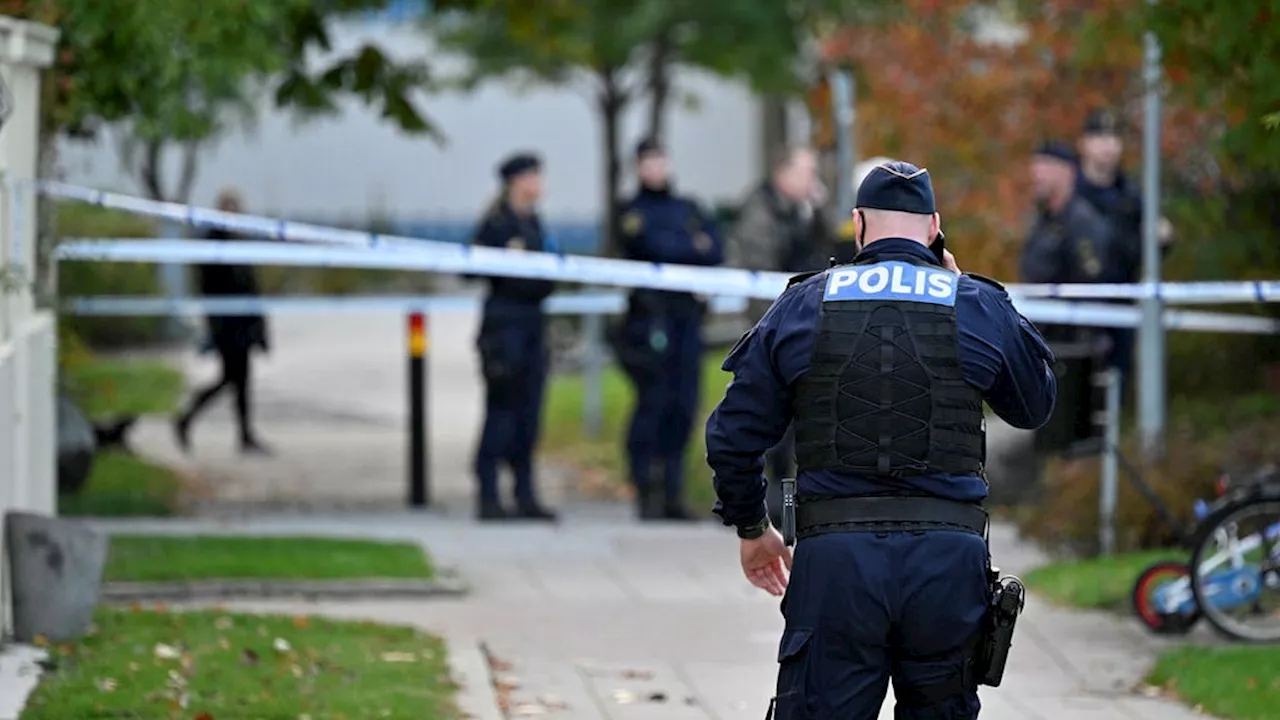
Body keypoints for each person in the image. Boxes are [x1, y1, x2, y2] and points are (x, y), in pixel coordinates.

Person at [705, 161, 1058, 718]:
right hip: (947, 562)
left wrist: (754, 527)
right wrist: (975, 294)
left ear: (859, 226)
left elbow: (732, 435)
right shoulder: (973, 302)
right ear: (935, 225)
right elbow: (1036, 406)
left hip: (836, 563)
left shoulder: (804, 304)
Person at [613, 137, 724, 521]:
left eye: (661, 160)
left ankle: (673, 492)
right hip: (650, 321)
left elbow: (714, 250)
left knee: (683, 405)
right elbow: (655, 247)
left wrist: (687, 246)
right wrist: (688, 245)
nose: (656, 169)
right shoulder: (632, 210)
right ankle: (645, 487)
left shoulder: (688, 207)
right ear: (639, 167)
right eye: (648, 162)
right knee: (653, 404)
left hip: (686, 319)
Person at [727, 145, 833, 501]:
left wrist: (818, 211)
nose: (812, 181)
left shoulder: (802, 211)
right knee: (768, 414)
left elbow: (824, 252)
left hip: (802, 323)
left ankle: (787, 492)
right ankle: (758, 495)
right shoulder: (761, 212)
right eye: (806, 172)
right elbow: (764, 272)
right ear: (783, 174)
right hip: (771, 326)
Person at [470, 152, 558, 522]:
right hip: (504, 330)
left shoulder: (535, 222)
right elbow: (477, 269)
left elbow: (547, 278)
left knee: (528, 416)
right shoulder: (497, 224)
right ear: (516, 181)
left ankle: (525, 495)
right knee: (501, 414)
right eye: (533, 176)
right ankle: (489, 495)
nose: (539, 183)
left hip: (532, 328)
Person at [1075, 108, 1174, 390]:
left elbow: (1144, 251)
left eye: (1114, 138)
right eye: (1100, 137)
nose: (1108, 145)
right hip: (1076, 311)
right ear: (1084, 143)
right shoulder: (1071, 194)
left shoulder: (1131, 194)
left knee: (1116, 388)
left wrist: (1161, 240)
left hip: (1122, 306)